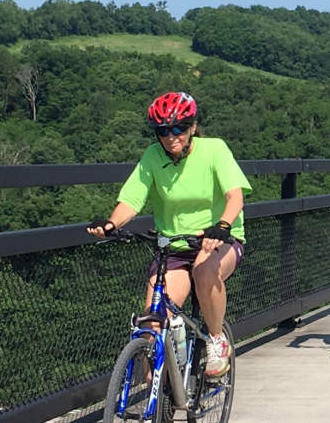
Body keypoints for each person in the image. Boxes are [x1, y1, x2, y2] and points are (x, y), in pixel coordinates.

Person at [87, 91, 251, 379]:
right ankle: (163, 395)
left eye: (178, 128)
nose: (171, 136)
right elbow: (132, 200)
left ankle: (216, 339)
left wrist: (222, 226)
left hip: (218, 240)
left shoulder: (214, 149)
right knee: (153, 327)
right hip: (173, 246)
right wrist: (112, 224)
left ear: (192, 127)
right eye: (163, 130)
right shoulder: (152, 157)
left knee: (204, 270)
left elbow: (234, 196)